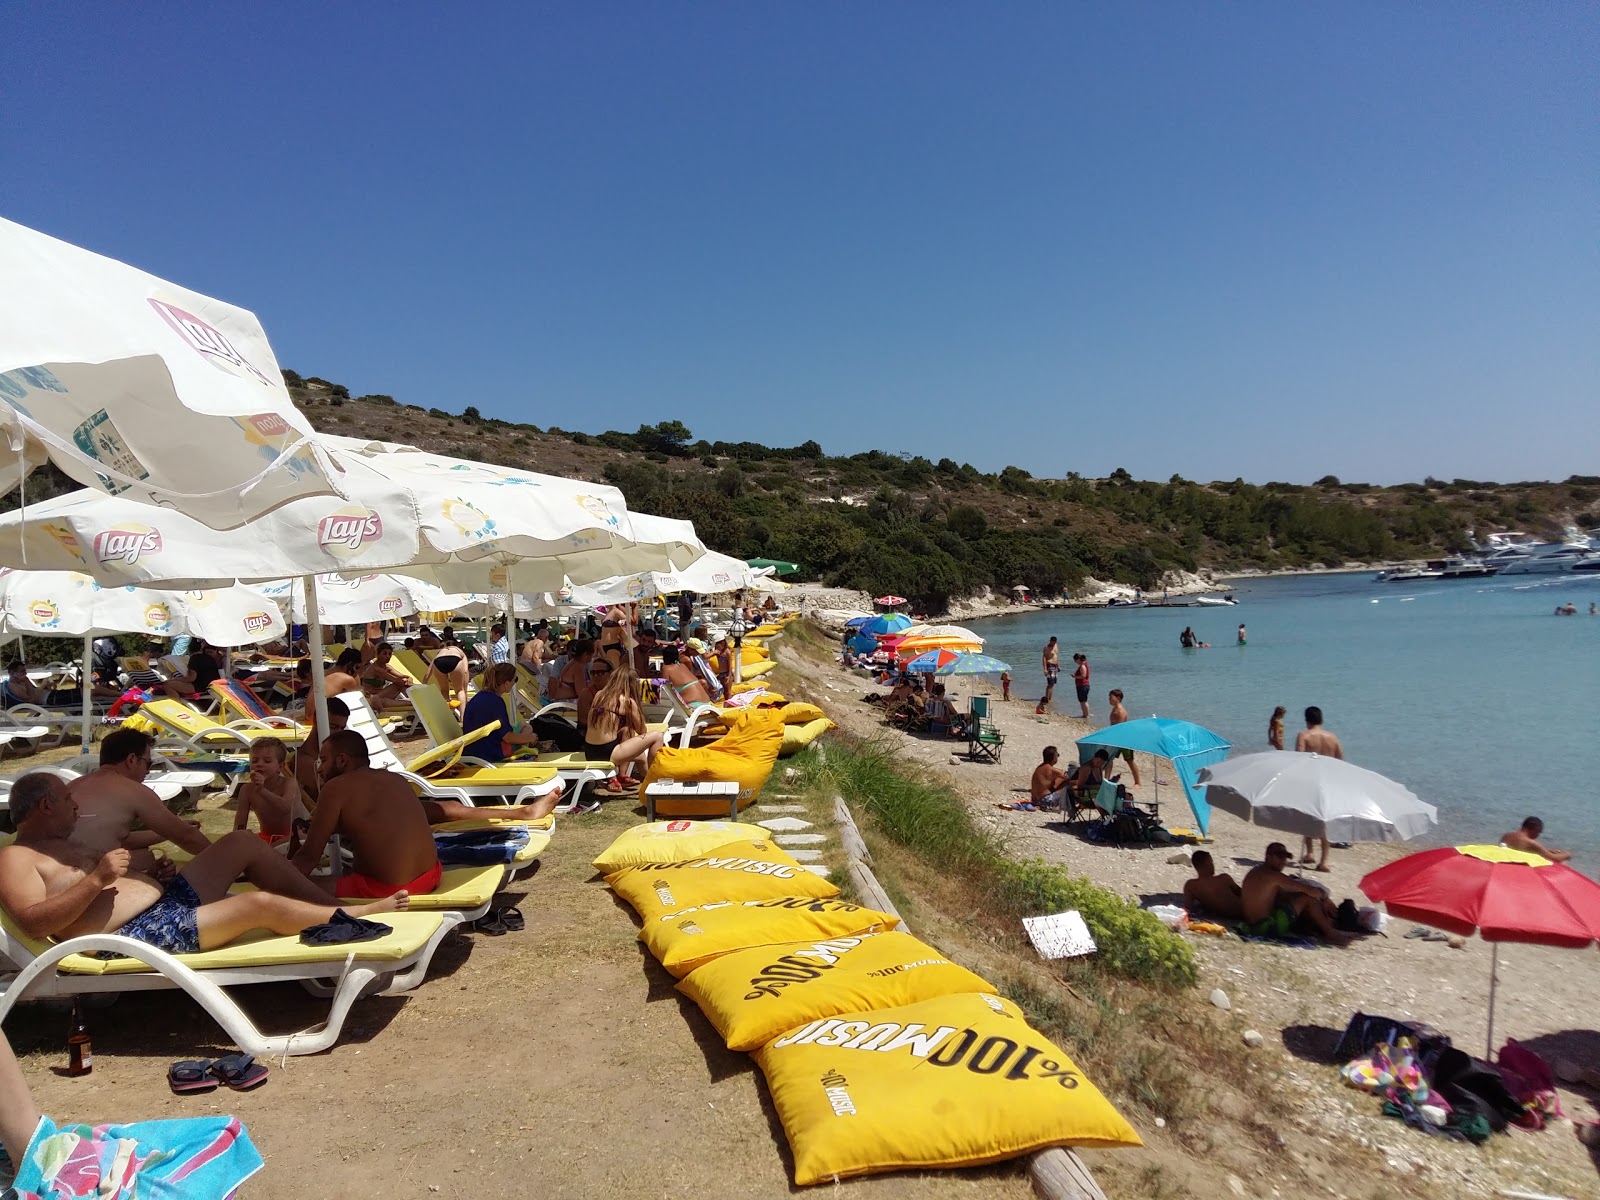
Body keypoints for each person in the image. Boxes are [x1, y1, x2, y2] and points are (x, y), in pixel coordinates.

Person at [0, 772, 408, 958]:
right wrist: (98, 879)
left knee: (240, 842)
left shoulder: (65, 844)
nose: (76, 806)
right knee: (256, 905)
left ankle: (323, 905)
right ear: (46, 806)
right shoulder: (15, 858)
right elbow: (35, 923)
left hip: (162, 907)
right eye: (68, 801)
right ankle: (351, 915)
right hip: (134, 937)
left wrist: (148, 877)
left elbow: (110, 888)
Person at [292, 730, 442, 897]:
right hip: (430, 877)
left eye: (324, 760)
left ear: (342, 760)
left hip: (390, 891)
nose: (319, 769)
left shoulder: (335, 788)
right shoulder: (394, 778)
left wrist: (276, 880)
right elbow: (379, 825)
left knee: (295, 888)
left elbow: (308, 857)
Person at [68, 729, 211, 868]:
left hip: (59, 868)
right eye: (148, 764)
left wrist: (167, 831)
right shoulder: (132, 790)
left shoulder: (74, 785)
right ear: (131, 760)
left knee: (143, 857)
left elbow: (116, 838)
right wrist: (226, 862)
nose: (147, 771)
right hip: (88, 870)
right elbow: (187, 837)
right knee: (145, 859)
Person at [1240, 842, 1349, 946]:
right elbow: (1309, 891)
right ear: (1268, 856)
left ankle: (1322, 929)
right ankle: (1330, 933)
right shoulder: (1274, 876)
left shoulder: (1256, 871)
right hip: (1266, 928)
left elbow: (1280, 895)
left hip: (1251, 925)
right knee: (1306, 898)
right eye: (1279, 857)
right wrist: (1325, 897)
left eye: (1285, 858)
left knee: (1294, 899)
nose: (1283, 861)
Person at [584, 664, 666, 793]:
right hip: (608, 752)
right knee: (657, 736)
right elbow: (642, 731)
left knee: (627, 732)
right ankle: (655, 779)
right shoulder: (626, 702)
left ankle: (631, 777)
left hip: (590, 751)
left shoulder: (599, 695)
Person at [1294, 706, 1343, 871]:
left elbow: (1299, 759)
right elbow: (1340, 760)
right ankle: (1324, 861)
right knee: (1324, 820)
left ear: (1306, 719)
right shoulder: (1333, 738)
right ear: (1321, 719)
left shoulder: (1304, 736)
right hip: (1327, 782)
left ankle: (1309, 853)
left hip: (1310, 780)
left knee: (1307, 816)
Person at [233, 739, 307, 847]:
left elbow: (286, 808)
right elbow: (239, 824)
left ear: (280, 767)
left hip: (293, 838)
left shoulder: (289, 783)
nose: (259, 764)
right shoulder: (247, 790)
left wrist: (262, 791)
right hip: (266, 838)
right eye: (254, 761)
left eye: (267, 761)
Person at [462, 662, 542, 761]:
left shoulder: (479, 697)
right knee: (529, 731)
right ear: (506, 683)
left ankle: (526, 742)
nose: (514, 683)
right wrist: (531, 738)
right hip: (490, 752)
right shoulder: (496, 702)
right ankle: (526, 744)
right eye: (515, 679)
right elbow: (508, 738)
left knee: (525, 726)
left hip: (473, 748)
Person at [1182, 850, 1244, 919]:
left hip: (1223, 915)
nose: (1213, 864)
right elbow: (1242, 893)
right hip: (1243, 913)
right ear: (1207, 863)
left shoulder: (1190, 886)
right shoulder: (1223, 879)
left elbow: (1187, 908)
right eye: (1211, 862)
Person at [425, 631, 471, 710]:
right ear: (456, 645)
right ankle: (462, 718)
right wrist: (465, 690)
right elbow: (466, 671)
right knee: (460, 691)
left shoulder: (440, 652)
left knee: (444, 690)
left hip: (439, 661)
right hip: (454, 659)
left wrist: (423, 684)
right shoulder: (459, 651)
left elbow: (428, 672)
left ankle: (447, 716)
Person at [1107, 688, 1141, 785]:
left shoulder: (1121, 711)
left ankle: (1137, 782)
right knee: (1109, 759)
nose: (1109, 699)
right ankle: (1106, 778)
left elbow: (1119, 728)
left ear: (1118, 698)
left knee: (1129, 760)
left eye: (1111, 697)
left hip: (1123, 739)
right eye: (1109, 697)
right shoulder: (1114, 709)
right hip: (1115, 739)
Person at [1501, 817, 1571, 863]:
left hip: (1507, 864)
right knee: (1562, 863)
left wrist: (1547, 851)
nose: (1538, 835)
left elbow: (1521, 850)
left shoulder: (1506, 836)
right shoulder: (1530, 843)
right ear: (1536, 829)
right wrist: (1567, 854)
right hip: (1521, 869)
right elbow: (1555, 858)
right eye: (1539, 832)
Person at [1030, 746, 1070, 811]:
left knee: (1061, 780)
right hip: (1045, 801)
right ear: (1054, 758)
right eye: (1057, 755)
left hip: (1035, 801)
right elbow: (1068, 776)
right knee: (1068, 783)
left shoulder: (1039, 768)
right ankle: (1068, 804)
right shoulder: (1051, 770)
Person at [1038, 636, 1060, 714]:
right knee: (1050, 683)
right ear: (1050, 641)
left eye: (1054, 642)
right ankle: (1047, 699)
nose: (1053, 644)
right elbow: (1044, 658)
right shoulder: (1046, 648)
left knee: (1053, 683)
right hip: (1049, 665)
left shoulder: (1056, 646)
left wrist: (1058, 666)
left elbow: (1056, 656)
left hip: (1055, 666)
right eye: (1052, 642)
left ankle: (1050, 698)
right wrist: (1045, 668)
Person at [1072, 653, 1091, 719]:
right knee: (1083, 701)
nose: (1075, 662)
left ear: (1078, 659)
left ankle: (1086, 715)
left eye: (1075, 660)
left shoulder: (1082, 666)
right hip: (1084, 685)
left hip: (1082, 685)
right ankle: (1086, 714)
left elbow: (1083, 676)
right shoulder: (1084, 665)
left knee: (1083, 701)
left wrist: (1075, 676)